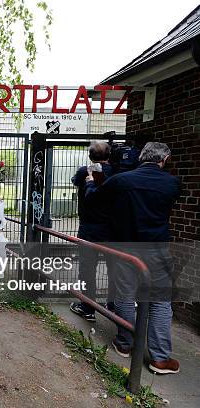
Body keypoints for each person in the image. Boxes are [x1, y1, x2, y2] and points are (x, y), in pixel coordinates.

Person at [85, 142, 181, 374]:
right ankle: (159, 358)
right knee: (160, 301)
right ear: (164, 159)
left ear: (141, 157)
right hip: (157, 249)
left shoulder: (122, 181)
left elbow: (95, 200)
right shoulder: (172, 183)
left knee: (125, 295)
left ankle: (125, 343)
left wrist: (90, 185)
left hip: (125, 247)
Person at [69, 141, 115, 321]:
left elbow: (74, 182)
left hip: (89, 228)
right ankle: (113, 306)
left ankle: (87, 307)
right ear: (109, 155)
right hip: (113, 230)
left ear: (90, 156)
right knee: (114, 270)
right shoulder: (117, 173)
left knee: (87, 270)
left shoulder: (85, 171)